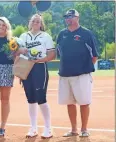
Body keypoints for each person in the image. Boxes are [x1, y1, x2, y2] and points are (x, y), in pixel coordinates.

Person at [56, 9, 98, 137]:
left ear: (77, 18)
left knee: (84, 102)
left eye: (71, 16)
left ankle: (84, 129)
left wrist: (83, 67)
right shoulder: (61, 34)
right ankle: (73, 129)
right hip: (65, 74)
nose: (68, 19)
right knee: (70, 103)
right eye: (66, 17)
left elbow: (94, 56)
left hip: (82, 75)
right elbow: (59, 54)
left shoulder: (86, 34)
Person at [18, 14, 56, 139]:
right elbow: (18, 52)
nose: (35, 22)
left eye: (38, 21)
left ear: (41, 24)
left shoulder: (46, 36)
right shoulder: (23, 36)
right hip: (26, 68)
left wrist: (39, 60)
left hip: (40, 68)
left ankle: (48, 128)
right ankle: (33, 128)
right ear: (30, 22)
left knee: (41, 98)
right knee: (30, 99)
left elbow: (52, 54)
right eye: (33, 20)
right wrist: (20, 69)